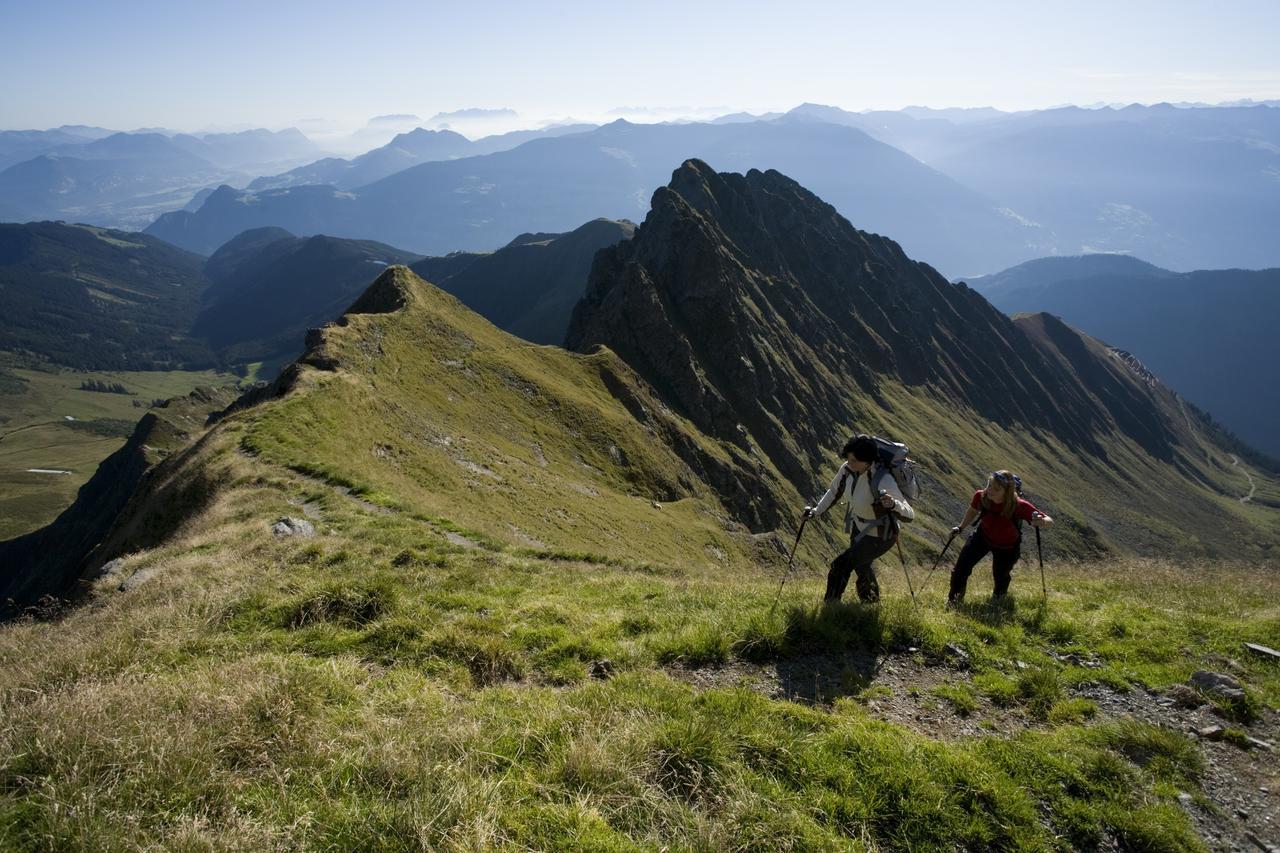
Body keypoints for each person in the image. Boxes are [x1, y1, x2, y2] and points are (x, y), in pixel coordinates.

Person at [804, 434, 914, 603]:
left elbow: (909, 514)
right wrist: (815, 511)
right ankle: (871, 602)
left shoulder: (882, 479)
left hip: (880, 535)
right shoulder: (848, 469)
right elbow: (834, 492)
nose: (849, 463)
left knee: (840, 566)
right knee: (862, 566)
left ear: (868, 461)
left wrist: (893, 505)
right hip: (858, 526)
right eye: (848, 459)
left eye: (854, 460)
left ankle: (831, 608)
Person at [947, 470, 1053, 603]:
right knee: (961, 568)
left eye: (996, 489)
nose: (990, 490)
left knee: (1000, 575)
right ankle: (954, 600)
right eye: (989, 485)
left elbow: (1049, 521)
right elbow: (973, 510)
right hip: (982, 537)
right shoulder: (981, 496)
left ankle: (999, 598)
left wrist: (1041, 521)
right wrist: (961, 527)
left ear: (1006, 492)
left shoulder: (1019, 505)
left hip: (1007, 546)